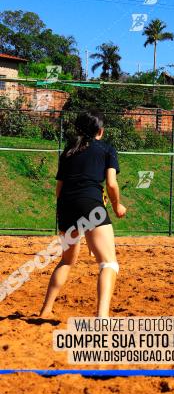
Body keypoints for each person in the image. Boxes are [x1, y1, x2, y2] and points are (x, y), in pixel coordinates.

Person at [39, 110, 126, 318]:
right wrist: (117, 206)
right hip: (89, 203)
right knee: (109, 263)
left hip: (66, 205)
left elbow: (59, 188)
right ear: (101, 131)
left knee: (67, 260)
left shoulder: (69, 150)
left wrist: (65, 211)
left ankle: (45, 311)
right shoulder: (107, 149)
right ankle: (102, 319)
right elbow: (112, 184)